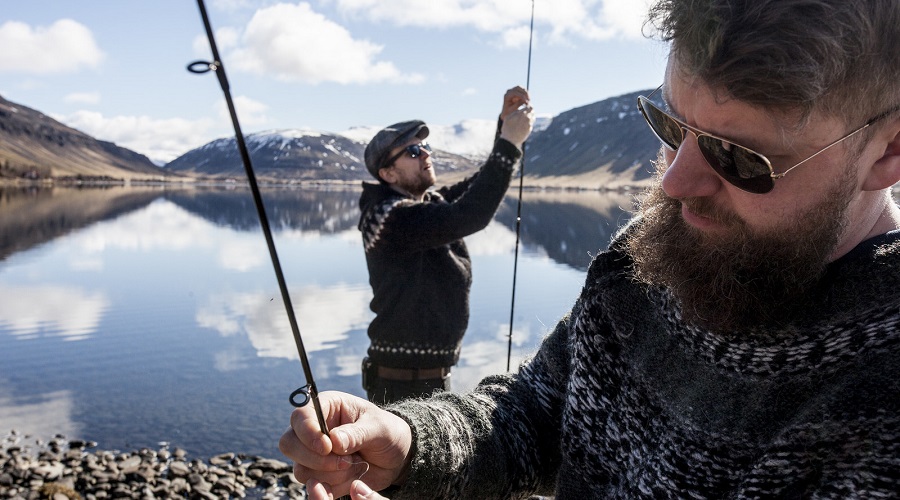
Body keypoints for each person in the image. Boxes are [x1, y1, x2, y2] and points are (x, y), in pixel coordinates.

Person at [281, 0, 900, 497]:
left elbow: (468, 205)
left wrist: (505, 145)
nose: (673, 186)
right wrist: (413, 442)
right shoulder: (647, 254)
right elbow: (538, 414)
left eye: (741, 158)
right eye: (671, 126)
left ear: (888, 151)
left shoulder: (877, 403)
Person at [356, 87, 534, 405]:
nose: (425, 154)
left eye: (424, 147)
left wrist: (504, 128)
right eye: (412, 152)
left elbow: (479, 187)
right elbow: (469, 215)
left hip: (427, 379)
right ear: (387, 173)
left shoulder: (428, 202)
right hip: (401, 387)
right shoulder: (389, 217)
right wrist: (508, 143)